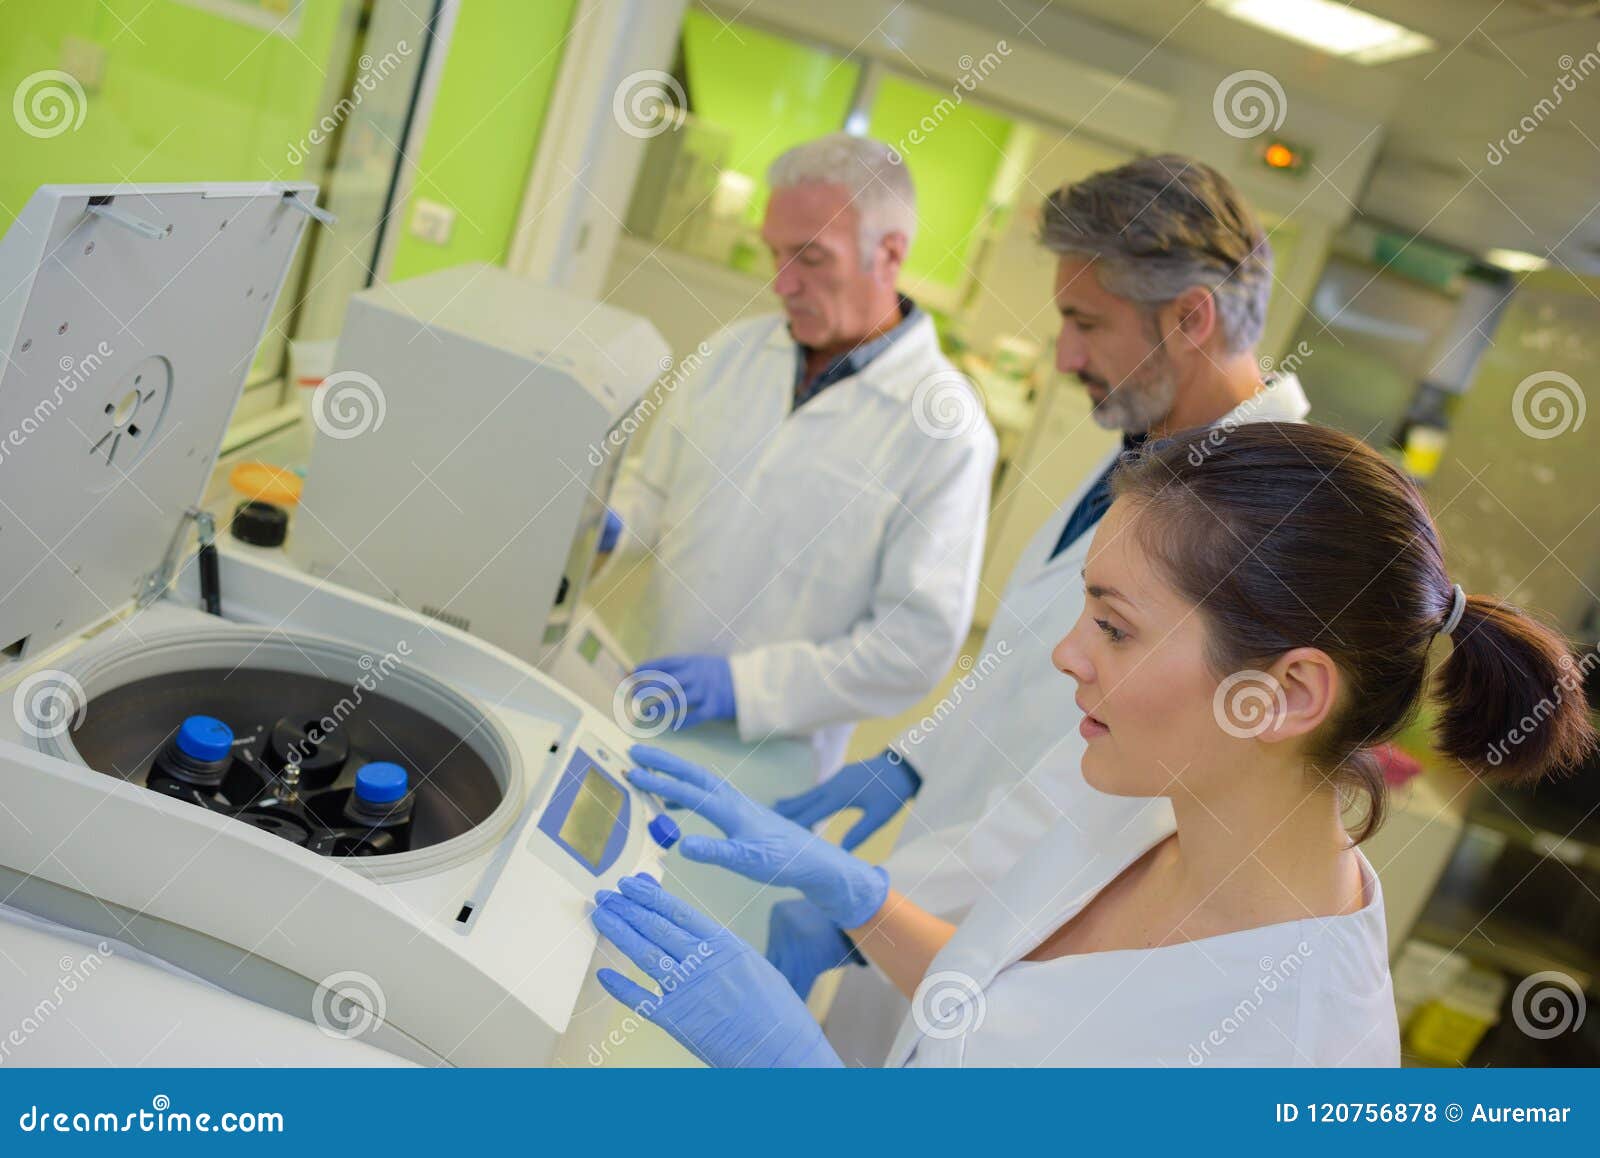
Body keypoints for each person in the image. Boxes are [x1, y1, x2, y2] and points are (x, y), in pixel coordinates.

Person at [589, 421, 1595, 1067]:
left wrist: (799, 1087)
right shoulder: (1149, 807)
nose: (1067, 655)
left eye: (1114, 626)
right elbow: (1012, 1023)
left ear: (1285, 694)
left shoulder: (1293, 1047)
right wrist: (864, 900)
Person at [771, 154, 1309, 1059]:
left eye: (1085, 323)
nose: (1064, 357)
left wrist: (882, 902)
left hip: (1023, 928)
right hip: (953, 871)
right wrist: (911, 759)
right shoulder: (1153, 447)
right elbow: (1027, 654)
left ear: (1191, 318)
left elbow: (1101, 794)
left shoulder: (1267, 526)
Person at [602, 133, 996, 777]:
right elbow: (655, 491)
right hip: (639, 691)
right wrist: (605, 524)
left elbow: (912, 643)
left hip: (770, 755)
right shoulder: (731, 353)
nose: (782, 283)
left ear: (889, 254)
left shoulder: (946, 431)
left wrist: (743, 689)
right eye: (775, 253)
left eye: (812, 257)